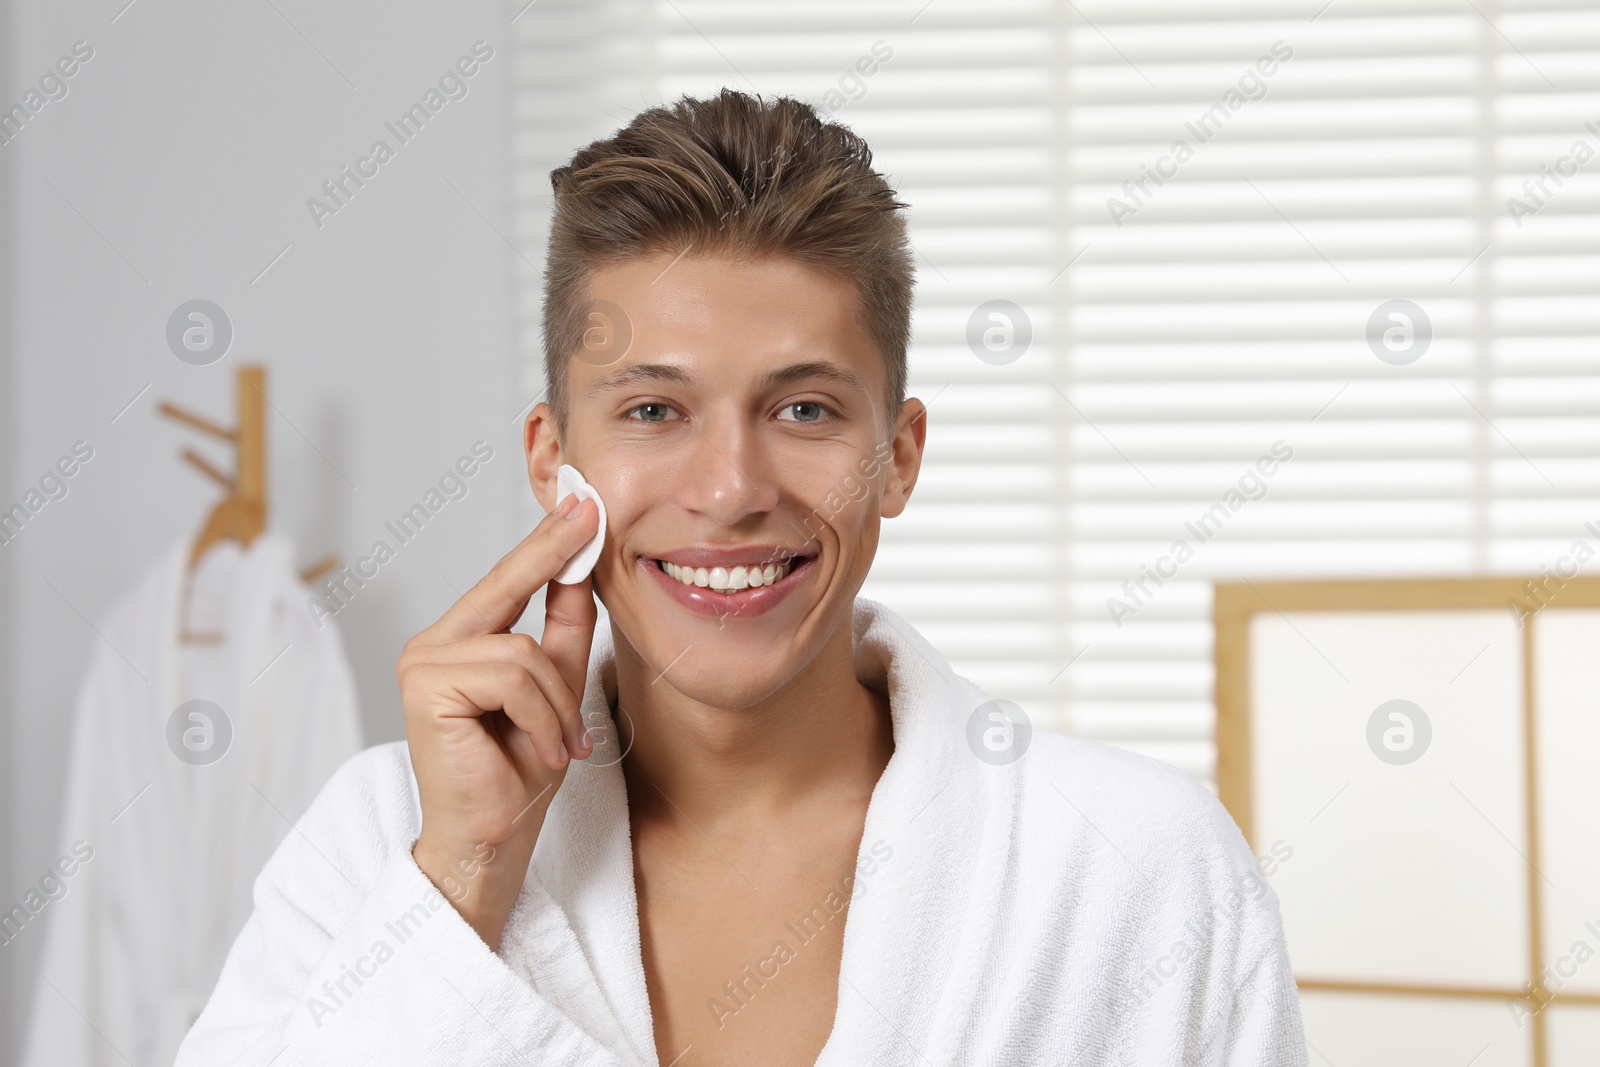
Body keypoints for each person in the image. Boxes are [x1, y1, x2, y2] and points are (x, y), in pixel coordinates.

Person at [175, 88, 1308, 1066]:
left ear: (898, 455)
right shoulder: (381, 840)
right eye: (654, 410)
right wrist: (465, 871)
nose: (729, 489)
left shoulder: (1132, 862)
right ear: (549, 459)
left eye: (804, 407)